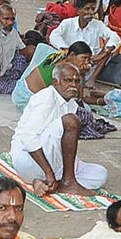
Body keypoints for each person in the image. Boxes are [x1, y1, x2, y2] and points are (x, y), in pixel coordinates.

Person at [10, 62, 107, 196]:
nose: (73, 85)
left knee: (100, 174)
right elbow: (28, 138)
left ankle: (48, 183)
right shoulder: (46, 98)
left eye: (77, 81)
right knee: (70, 121)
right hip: (28, 161)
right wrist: (49, 172)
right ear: (55, 82)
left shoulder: (71, 105)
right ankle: (65, 182)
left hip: (51, 163)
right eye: (68, 80)